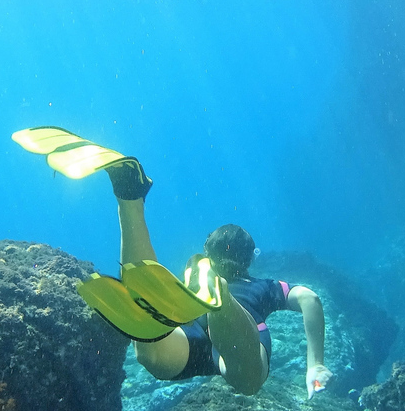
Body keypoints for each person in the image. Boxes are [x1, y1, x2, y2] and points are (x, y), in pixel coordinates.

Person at [105, 159, 332, 398]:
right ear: (249, 259)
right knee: (248, 381)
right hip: (240, 333)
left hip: (190, 333)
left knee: (152, 356)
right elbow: (310, 298)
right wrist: (315, 363)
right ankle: (221, 303)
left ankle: (129, 199)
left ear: (207, 254)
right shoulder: (263, 287)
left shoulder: (194, 287)